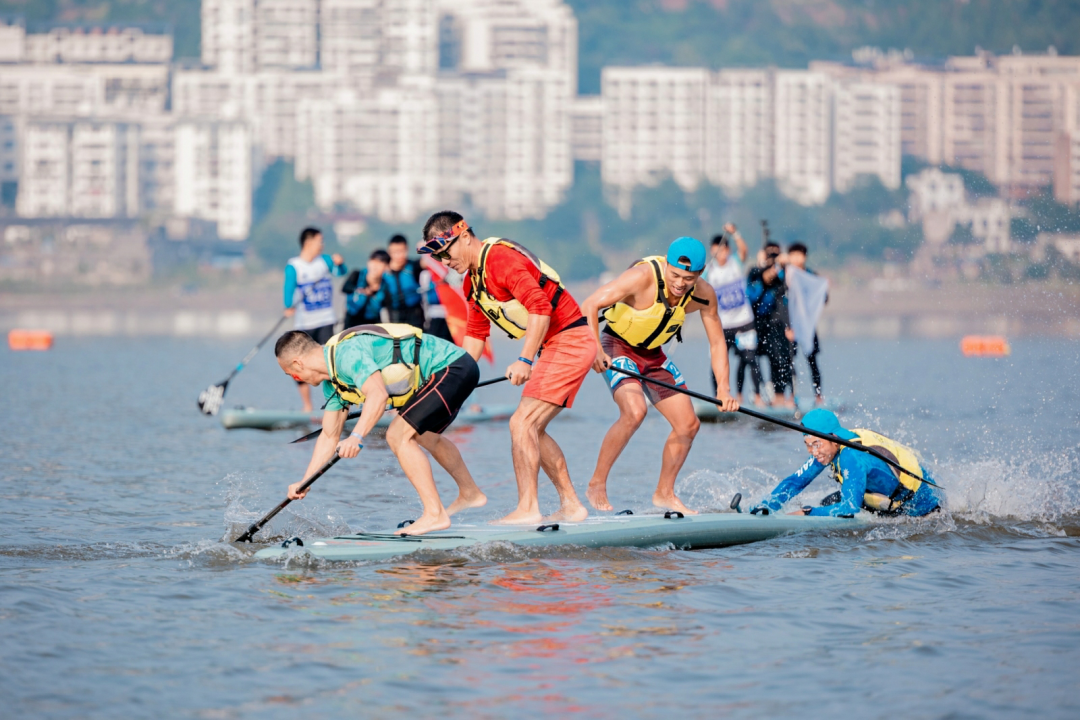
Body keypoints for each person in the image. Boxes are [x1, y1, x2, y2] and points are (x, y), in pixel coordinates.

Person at [419, 211, 592, 525]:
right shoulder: (472, 282)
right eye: (439, 257)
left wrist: (525, 360)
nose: (445, 261)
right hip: (555, 346)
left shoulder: (499, 260)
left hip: (570, 340)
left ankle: (528, 509)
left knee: (521, 424)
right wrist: (444, 382)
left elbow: (540, 308)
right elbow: (474, 338)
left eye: (446, 252)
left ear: (465, 236)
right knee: (532, 428)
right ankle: (571, 506)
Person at [274, 324, 488, 535]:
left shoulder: (346, 354)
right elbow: (329, 435)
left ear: (297, 364)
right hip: (447, 372)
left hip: (452, 366)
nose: (296, 380)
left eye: (291, 375)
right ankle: (470, 493)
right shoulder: (332, 385)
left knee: (397, 436)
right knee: (426, 437)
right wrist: (305, 481)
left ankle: (435, 514)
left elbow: (378, 394)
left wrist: (357, 436)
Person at [581, 237, 740, 514]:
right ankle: (597, 482)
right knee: (634, 411)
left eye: (688, 278)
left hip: (653, 355)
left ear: (700, 274)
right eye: (675, 275)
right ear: (666, 264)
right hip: (616, 346)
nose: (680, 283)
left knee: (689, 424)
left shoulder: (704, 294)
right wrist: (595, 350)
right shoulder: (641, 277)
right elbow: (590, 304)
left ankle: (664, 493)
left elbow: (717, 343)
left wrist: (723, 389)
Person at [750, 409, 941, 517]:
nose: (812, 452)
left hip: (921, 505)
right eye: (807, 445)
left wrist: (806, 513)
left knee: (828, 506)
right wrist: (768, 506)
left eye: (816, 444)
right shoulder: (830, 446)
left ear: (833, 438)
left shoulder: (851, 456)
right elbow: (795, 482)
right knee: (828, 502)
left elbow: (850, 507)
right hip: (882, 495)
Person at [283, 227, 347, 412]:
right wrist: (289, 306)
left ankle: (336, 403)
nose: (322, 244)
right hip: (305, 323)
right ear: (309, 242)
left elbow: (341, 272)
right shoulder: (294, 266)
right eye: (320, 240)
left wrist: (340, 263)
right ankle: (307, 406)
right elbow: (288, 293)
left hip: (326, 320)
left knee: (331, 363)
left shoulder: (325, 261)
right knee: (299, 364)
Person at [705, 223, 764, 405]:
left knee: (750, 359)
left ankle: (756, 397)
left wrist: (735, 233)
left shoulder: (735, 263)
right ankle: (718, 396)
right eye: (716, 251)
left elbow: (744, 250)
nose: (720, 255)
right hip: (721, 325)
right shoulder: (709, 271)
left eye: (722, 251)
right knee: (718, 362)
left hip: (744, 321)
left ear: (727, 250)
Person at [747, 242, 794, 408]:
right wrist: (767, 265)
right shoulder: (755, 271)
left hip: (776, 323)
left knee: (779, 360)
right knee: (752, 359)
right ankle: (759, 394)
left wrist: (785, 264)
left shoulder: (784, 272)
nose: (773, 256)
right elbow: (763, 279)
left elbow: (788, 286)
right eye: (770, 253)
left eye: (776, 253)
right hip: (757, 322)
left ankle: (780, 397)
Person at [786, 242, 825, 404]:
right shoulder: (785, 274)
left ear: (805, 257)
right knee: (790, 361)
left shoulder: (810, 275)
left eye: (799, 255)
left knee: (812, 361)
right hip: (792, 326)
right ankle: (792, 395)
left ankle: (818, 395)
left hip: (808, 327)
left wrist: (824, 286)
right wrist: (787, 326)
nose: (796, 258)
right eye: (793, 255)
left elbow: (822, 296)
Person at [383, 234, 425, 328]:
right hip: (393, 317)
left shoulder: (414, 266)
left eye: (402, 251)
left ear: (407, 249)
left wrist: (425, 249)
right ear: (389, 252)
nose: (399, 255)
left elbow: (429, 262)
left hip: (415, 316)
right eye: (395, 252)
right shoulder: (383, 272)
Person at [342, 250, 389, 328]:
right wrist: (361, 291)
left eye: (380, 263)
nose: (375, 266)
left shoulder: (386, 286)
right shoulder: (356, 274)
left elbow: (388, 307)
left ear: (386, 267)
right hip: (351, 321)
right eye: (373, 261)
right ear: (368, 262)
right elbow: (344, 288)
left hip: (372, 323)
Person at [417, 251, 455, 342]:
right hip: (434, 317)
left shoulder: (451, 271)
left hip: (451, 317)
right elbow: (425, 300)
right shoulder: (425, 275)